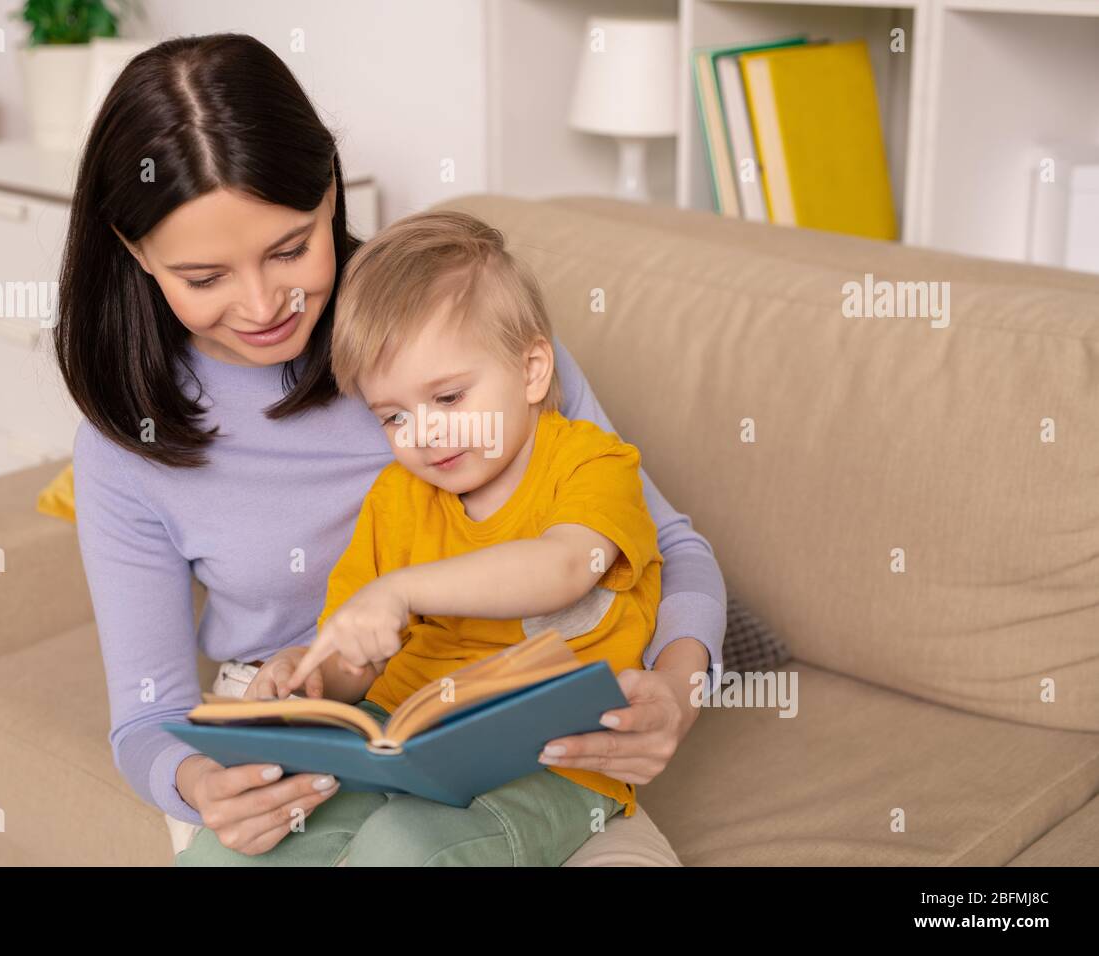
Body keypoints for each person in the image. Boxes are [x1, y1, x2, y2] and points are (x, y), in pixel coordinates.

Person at [59, 32, 726, 864]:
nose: (267, 304)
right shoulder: (125, 447)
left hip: (527, 706)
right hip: (311, 711)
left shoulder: (454, 323)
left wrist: (677, 689)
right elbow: (145, 718)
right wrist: (199, 781)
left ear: (332, 190)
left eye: (290, 248)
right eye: (205, 278)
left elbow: (664, 546)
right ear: (134, 250)